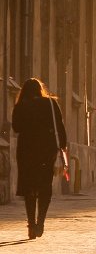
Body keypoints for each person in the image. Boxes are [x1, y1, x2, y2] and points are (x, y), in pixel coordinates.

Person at [12, 77, 68, 239]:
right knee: (45, 186)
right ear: (40, 89)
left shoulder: (21, 105)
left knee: (29, 187)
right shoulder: (50, 104)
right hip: (47, 150)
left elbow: (16, 127)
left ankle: (31, 224)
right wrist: (62, 147)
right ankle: (41, 222)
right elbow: (60, 126)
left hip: (26, 151)